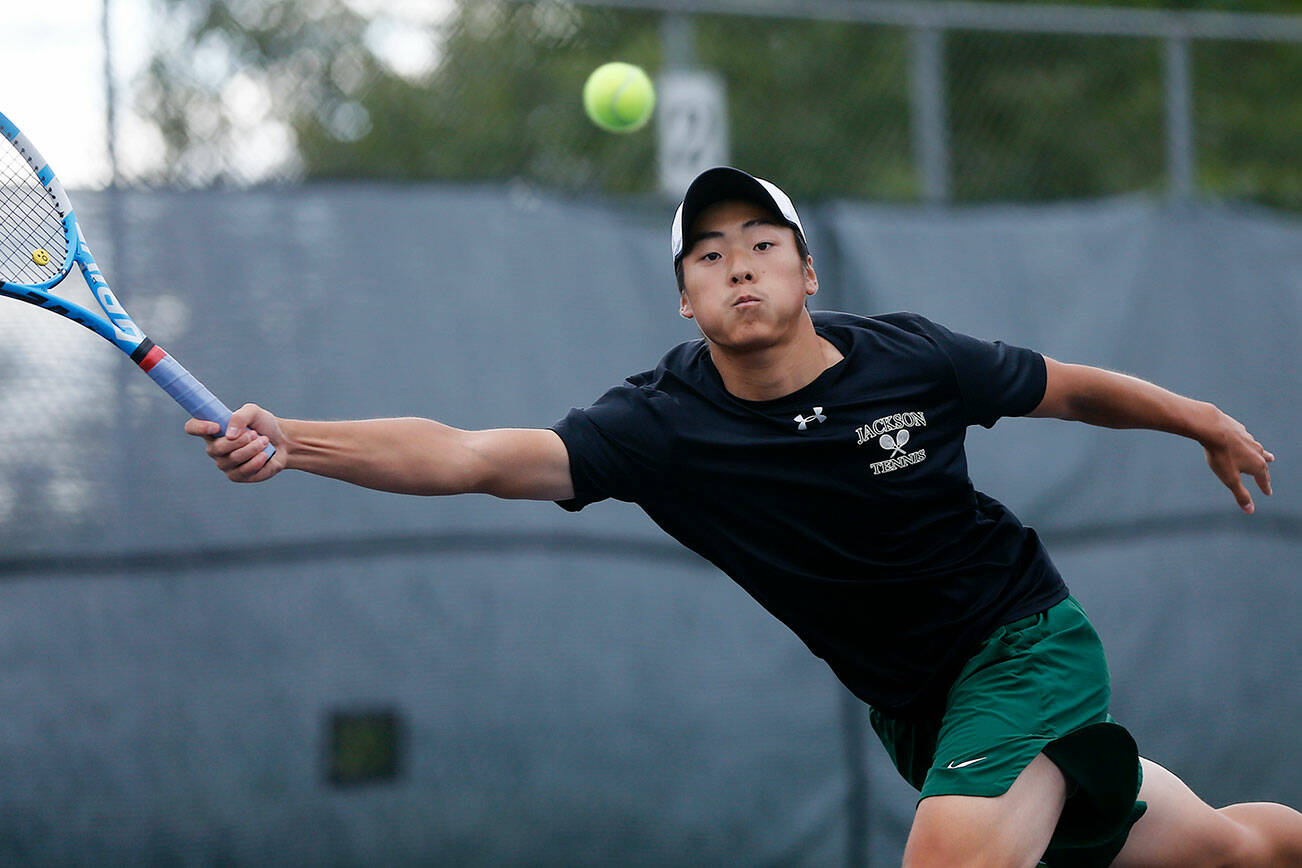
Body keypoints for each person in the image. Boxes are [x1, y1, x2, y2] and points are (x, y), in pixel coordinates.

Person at [188, 167, 1299, 868]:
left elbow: (1070, 386)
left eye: (763, 243)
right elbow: (475, 456)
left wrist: (1198, 417)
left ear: (807, 271)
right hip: (920, 709)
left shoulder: (909, 357)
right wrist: (295, 439)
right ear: (687, 298)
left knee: (951, 858)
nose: (739, 266)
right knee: (1227, 849)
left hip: (1024, 648)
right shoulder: (661, 425)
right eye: (709, 255)